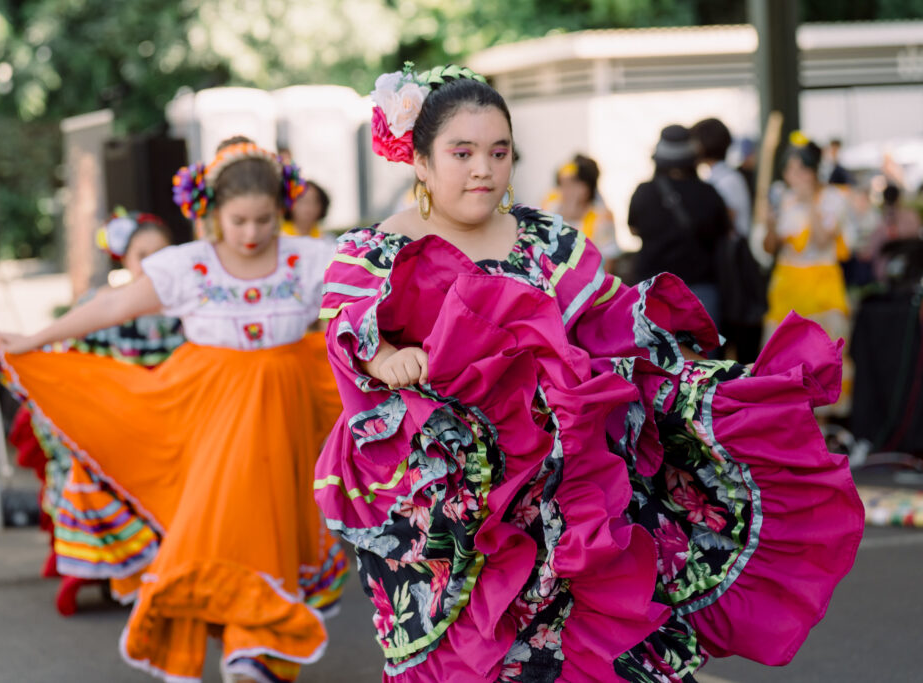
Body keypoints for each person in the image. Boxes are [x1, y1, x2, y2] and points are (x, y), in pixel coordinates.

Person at [315, 64, 862, 682]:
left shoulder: (543, 237)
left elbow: (609, 317)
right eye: (460, 152)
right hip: (457, 500)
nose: (482, 169)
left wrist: (699, 379)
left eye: (499, 151)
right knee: (478, 652)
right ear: (418, 158)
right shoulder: (377, 251)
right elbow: (346, 328)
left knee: (587, 637)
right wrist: (388, 360)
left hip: (566, 478)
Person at [0, 140, 347, 683]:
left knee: (273, 526)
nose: (251, 234)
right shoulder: (189, 266)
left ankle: (256, 645)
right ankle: (248, 642)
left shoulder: (310, 259)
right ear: (210, 213)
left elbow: (370, 298)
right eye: (238, 220)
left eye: (264, 220)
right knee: (218, 527)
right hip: (208, 415)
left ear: (282, 210)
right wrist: (37, 338)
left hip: (287, 414)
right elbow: (110, 305)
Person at [6, 209, 186, 615]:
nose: (152, 263)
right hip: (112, 420)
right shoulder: (99, 303)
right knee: (88, 465)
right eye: (143, 254)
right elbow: (76, 367)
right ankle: (113, 568)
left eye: (162, 253)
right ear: (125, 256)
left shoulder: (186, 306)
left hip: (170, 419)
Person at [763, 133, 856, 416]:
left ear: (814, 171)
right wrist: (769, 223)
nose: (795, 176)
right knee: (785, 356)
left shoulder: (833, 199)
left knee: (823, 356)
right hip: (788, 283)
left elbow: (821, 242)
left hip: (822, 285)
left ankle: (827, 426)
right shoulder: (781, 197)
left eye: (801, 169)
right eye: (790, 169)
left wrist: (811, 203)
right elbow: (768, 248)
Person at [628, 124, 731, 328]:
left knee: (655, 357)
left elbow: (633, 229)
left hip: (653, 291)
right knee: (704, 358)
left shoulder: (644, 192)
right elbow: (723, 232)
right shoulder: (709, 193)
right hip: (700, 292)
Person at [692, 117, 761, 363]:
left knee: (731, 339)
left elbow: (724, 224)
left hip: (732, 269)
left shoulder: (726, 181)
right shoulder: (720, 178)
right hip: (725, 266)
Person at [544, 154, 621, 274]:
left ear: (587, 188)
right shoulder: (549, 209)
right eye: (562, 185)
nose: (565, 191)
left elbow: (607, 266)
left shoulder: (602, 216)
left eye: (572, 185)